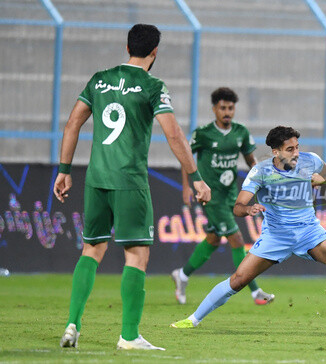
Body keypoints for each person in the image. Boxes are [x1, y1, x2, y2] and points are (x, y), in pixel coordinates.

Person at [53, 24, 211, 350]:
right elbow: (174, 134)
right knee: (137, 255)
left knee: (92, 250)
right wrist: (196, 177)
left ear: (127, 46)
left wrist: (64, 170)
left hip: (96, 179)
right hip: (130, 182)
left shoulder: (99, 79)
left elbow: (72, 124)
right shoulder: (153, 86)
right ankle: (128, 335)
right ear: (155, 52)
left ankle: (72, 323)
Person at [169, 126, 326, 329]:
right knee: (238, 280)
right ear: (276, 152)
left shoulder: (311, 161)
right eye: (290, 149)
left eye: (297, 147)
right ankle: (192, 320)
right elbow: (238, 206)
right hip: (276, 237)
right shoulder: (261, 172)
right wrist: (249, 209)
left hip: (310, 233)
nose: (296, 153)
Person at [171, 87, 274, 305]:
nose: (227, 112)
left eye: (230, 108)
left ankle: (182, 275)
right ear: (214, 109)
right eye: (223, 108)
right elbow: (187, 158)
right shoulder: (204, 133)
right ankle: (255, 292)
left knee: (214, 239)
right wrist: (186, 187)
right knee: (236, 239)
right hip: (210, 196)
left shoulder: (241, 132)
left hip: (230, 194)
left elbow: (250, 160)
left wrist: (261, 179)